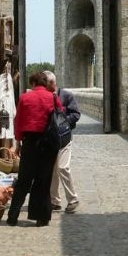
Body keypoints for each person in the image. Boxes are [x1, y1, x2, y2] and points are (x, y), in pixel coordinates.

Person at [6, 71, 63, 227]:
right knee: (43, 180)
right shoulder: (52, 97)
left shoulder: (25, 98)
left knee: (24, 179)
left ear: (32, 83)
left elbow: (18, 122)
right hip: (48, 144)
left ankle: (13, 216)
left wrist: (18, 143)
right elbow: (61, 113)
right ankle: (42, 218)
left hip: (30, 142)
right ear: (45, 83)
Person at [43, 70, 80, 213]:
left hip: (64, 138)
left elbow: (76, 114)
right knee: (53, 170)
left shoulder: (66, 95)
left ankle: (73, 199)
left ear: (52, 83)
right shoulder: (44, 97)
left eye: (46, 84)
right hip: (50, 140)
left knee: (63, 167)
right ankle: (55, 201)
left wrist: (63, 122)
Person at [0, 61, 16, 151]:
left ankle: (4, 153)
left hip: (5, 106)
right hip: (5, 106)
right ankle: (3, 153)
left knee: (5, 130)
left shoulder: (7, 78)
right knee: (5, 129)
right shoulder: (3, 78)